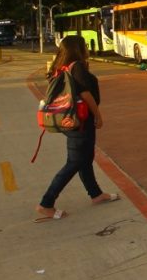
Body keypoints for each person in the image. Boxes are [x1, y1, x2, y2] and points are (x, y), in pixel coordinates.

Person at [36, 35, 118, 222]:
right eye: (85, 45)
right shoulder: (77, 67)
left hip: (69, 120)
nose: (87, 48)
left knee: (85, 158)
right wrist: (98, 115)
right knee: (74, 162)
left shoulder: (59, 67)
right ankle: (46, 203)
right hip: (80, 121)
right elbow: (86, 94)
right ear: (78, 48)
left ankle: (95, 194)